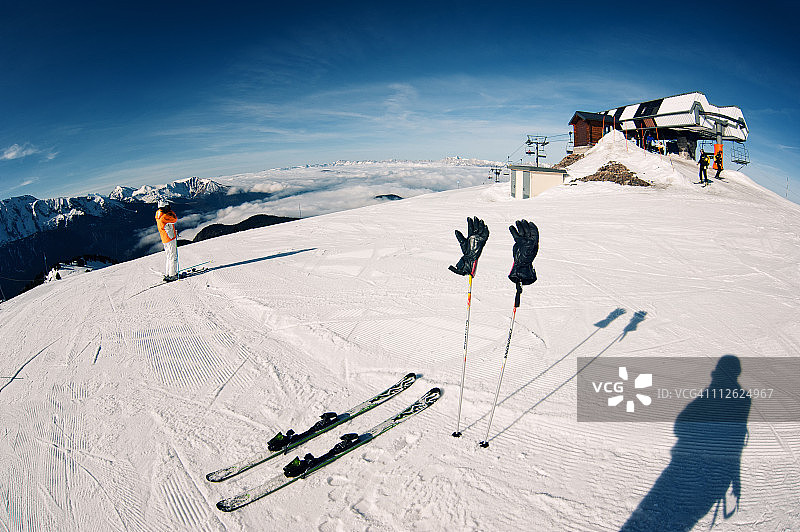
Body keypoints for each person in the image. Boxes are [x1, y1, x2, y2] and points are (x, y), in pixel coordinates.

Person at [155, 200, 179, 281]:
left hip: (164, 238)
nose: (169, 208)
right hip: (170, 238)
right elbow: (175, 219)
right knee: (173, 256)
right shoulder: (165, 216)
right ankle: (173, 275)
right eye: (168, 207)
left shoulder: (158, 214)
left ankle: (168, 273)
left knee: (169, 256)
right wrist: (170, 211)